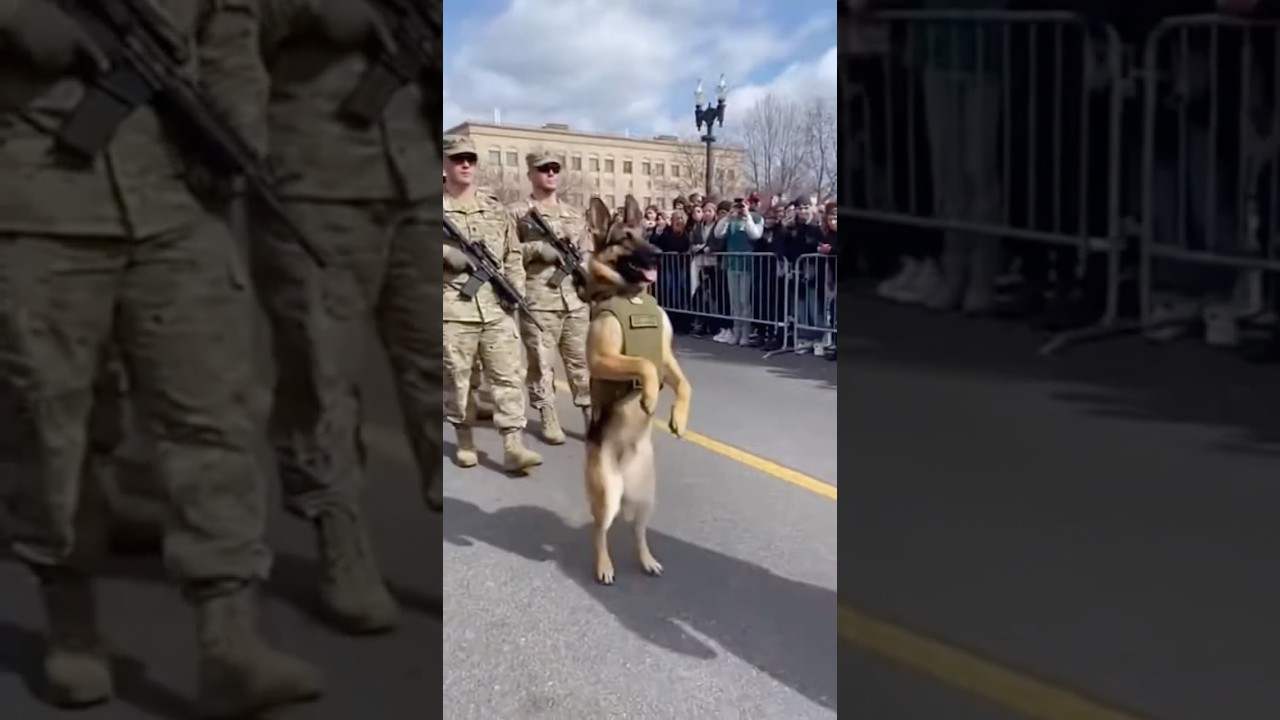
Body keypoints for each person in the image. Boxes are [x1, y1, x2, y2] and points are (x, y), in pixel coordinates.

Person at [0, 1, 320, 716]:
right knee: (48, 424)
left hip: (175, 204)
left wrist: (237, 136)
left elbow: (230, 36)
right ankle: (71, 626)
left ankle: (229, 644)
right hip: (33, 202)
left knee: (211, 416)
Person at [242, 0, 445, 634]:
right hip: (311, 174)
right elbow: (207, 34)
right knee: (321, 371)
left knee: (434, 361)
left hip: (413, 170)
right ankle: (340, 539)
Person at [442, 135, 543, 473]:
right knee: (458, 378)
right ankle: (464, 437)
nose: (466, 164)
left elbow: (512, 254)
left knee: (507, 375)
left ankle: (513, 443)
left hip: (495, 308)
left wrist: (514, 289)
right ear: (444, 165)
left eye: (470, 158)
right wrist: (446, 255)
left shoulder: (495, 208)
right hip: (454, 308)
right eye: (458, 159)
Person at [509, 152, 593, 444]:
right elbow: (506, 253)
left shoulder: (574, 214)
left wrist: (587, 275)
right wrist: (535, 250)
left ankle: (589, 412)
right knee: (541, 363)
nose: (550, 174)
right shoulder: (517, 213)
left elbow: (587, 250)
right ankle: (547, 413)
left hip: (575, 300)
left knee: (580, 360)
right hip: (539, 299)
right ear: (530, 173)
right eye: (544, 169)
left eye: (555, 169)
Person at [713, 197, 764, 346]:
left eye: (743, 205)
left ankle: (746, 333)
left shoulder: (756, 218)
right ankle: (736, 331)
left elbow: (755, 234)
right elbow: (718, 233)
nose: (740, 208)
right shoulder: (731, 219)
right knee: (734, 301)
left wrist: (747, 216)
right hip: (732, 263)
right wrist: (728, 217)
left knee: (744, 300)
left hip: (747, 265)